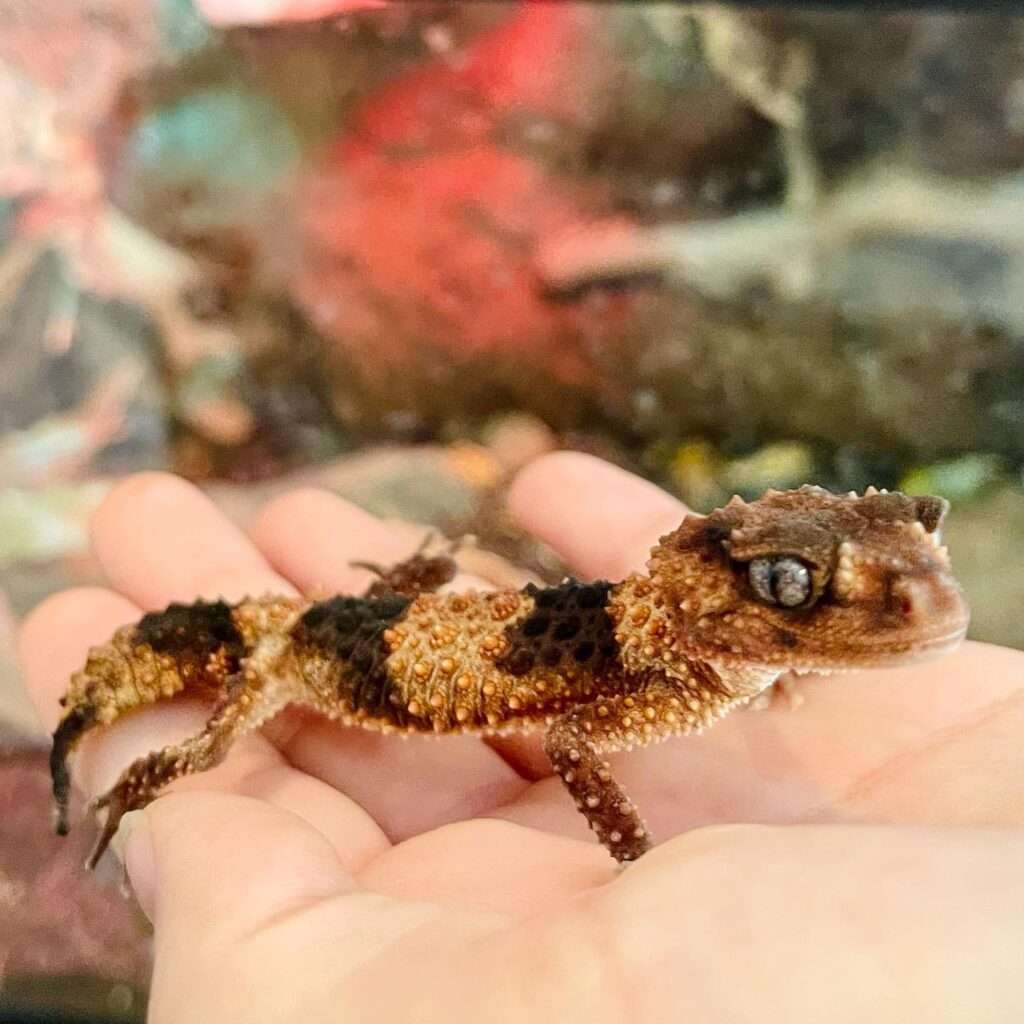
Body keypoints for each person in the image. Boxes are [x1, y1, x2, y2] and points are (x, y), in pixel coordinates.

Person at [19, 453, 1024, 1023]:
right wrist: (633, 857)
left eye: (920, 544)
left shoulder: (719, 657)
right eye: (791, 585)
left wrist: (784, 666)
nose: (919, 604)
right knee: (220, 726)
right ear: (713, 599)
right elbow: (578, 746)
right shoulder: (656, 681)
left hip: (397, 626)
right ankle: (148, 752)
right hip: (319, 654)